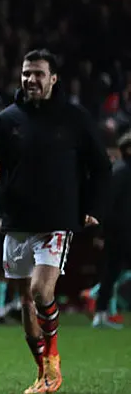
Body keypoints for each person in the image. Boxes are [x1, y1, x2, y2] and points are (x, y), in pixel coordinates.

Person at [0, 48, 110, 393]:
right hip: (17, 219)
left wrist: (93, 206)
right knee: (24, 299)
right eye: (26, 73)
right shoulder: (8, 119)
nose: (30, 80)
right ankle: (42, 374)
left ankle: (53, 361)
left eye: (38, 73)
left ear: (54, 78)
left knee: (41, 290)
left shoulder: (74, 118)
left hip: (56, 219)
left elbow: (100, 166)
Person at [93, 131, 131, 329]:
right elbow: (107, 204)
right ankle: (100, 312)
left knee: (112, 273)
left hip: (122, 230)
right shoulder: (121, 172)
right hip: (119, 232)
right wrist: (101, 233)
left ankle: (101, 312)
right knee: (111, 273)